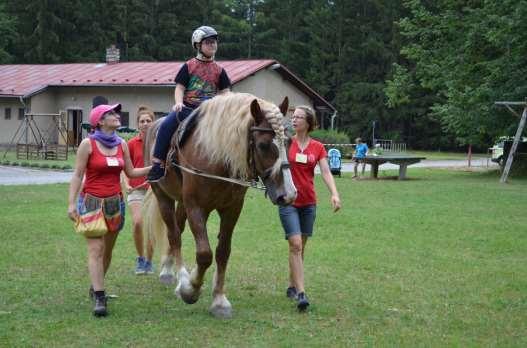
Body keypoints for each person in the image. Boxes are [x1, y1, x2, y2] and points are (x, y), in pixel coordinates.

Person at [67, 103, 151, 317]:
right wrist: (71, 203)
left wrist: (155, 167)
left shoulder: (121, 144)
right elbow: (77, 175)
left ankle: (95, 288)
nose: (116, 115)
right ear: (100, 121)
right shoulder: (88, 144)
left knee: (107, 251)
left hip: (115, 203)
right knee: (96, 249)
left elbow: (131, 172)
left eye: (115, 113)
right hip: (91, 203)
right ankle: (100, 296)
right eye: (111, 114)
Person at [147, 25, 231, 182]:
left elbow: (226, 93)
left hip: (210, 112)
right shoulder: (188, 66)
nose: (213, 45)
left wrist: (225, 105)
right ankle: (158, 163)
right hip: (188, 109)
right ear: (198, 45)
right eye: (208, 42)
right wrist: (178, 103)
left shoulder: (220, 70)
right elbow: (179, 88)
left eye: (214, 42)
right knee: (166, 125)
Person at [279, 106, 341, 311]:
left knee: (299, 247)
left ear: (308, 122)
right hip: (288, 201)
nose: (294, 120)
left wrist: (334, 193)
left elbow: (325, 172)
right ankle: (301, 293)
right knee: (295, 244)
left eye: (299, 117)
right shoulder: (286, 142)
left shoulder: (317, 147)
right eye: (293, 117)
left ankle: (292, 284)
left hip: (308, 203)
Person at [125, 105, 154, 275]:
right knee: (137, 223)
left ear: (153, 123)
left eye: (148, 120)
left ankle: (149, 261)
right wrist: (126, 184)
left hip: (154, 190)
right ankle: (140, 258)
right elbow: (124, 168)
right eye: (142, 121)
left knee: (151, 227)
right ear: (138, 125)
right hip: (135, 189)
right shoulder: (130, 144)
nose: (145, 123)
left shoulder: (160, 142)